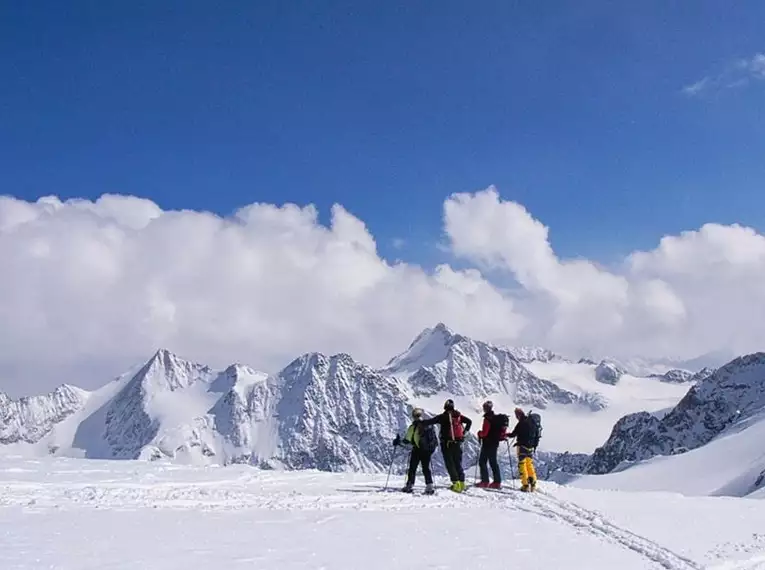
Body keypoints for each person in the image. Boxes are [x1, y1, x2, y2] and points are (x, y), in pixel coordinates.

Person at [421, 399, 472, 492]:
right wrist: (464, 433)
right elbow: (469, 421)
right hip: (458, 442)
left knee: (450, 463)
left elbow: (431, 421)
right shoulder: (458, 416)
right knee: (458, 463)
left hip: (447, 443)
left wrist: (420, 422)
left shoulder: (443, 417)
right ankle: (462, 483)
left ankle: (455, 484)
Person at [393, 408, 436, 494]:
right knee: (426, 468)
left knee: (412, 468)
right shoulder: (428, 425)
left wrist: (398, 442)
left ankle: (410, 485)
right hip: (427, 450)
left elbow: (407, 440)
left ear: (413, 416)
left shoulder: (413, 427)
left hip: (417, 450)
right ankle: (429, 486)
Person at [475, 400, 508, 488]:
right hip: (495, 443)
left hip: (487, 443)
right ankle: (497, 482)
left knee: (482, 461)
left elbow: (485, 433)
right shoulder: (496, 418)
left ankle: (485, 481)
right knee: (493, 462)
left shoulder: (487, 419)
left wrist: (479, 433)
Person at [507, 407, 538, 492]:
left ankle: (525, 485)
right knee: (529, 465)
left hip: (522, 447)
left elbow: (513, 434)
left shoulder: (520, 423)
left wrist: (506, 435)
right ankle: (533, 484)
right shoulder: (532, 422)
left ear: (518, 415)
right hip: (531, 447)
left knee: (522, 465)